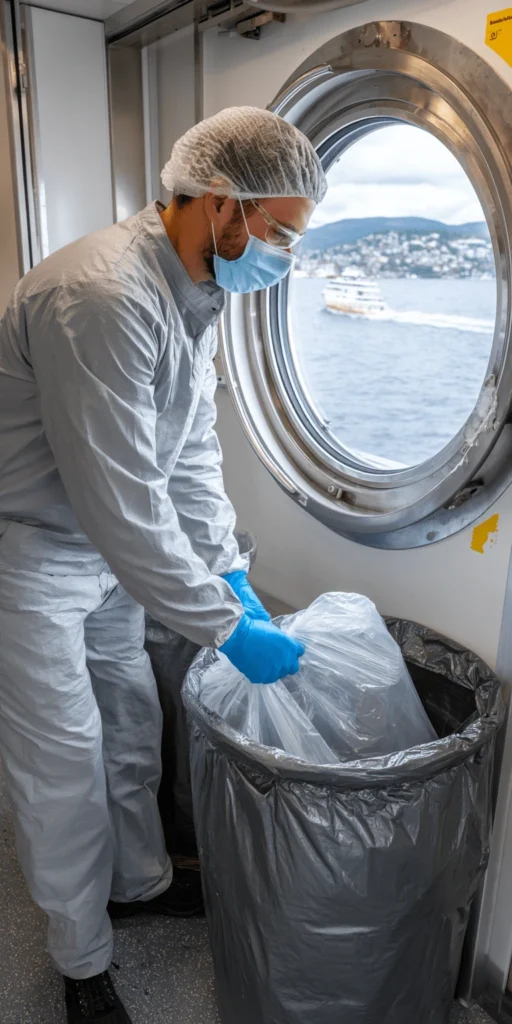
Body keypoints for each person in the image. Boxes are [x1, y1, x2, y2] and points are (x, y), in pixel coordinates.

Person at [0, 106, 327, 1023]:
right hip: (31, 558)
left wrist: (227, 569)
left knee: (131, 719)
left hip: (107, 557)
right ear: (224, 206)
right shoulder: (102, 296)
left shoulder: (196, 292)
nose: (284, 257)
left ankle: (139, 883)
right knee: (62, 754)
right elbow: (120, 501)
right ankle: (80, 957)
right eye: (282, 234)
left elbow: (185, 456)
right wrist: (228, 625)